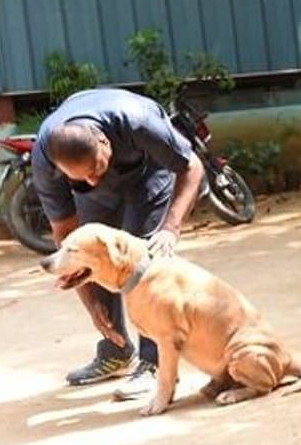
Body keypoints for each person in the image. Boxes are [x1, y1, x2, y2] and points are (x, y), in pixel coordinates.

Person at [32, 87, 205, 399]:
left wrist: (170, 227)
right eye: (81, 178)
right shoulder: (46, 161)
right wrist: (91, 304)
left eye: (96, 167)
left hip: (146, 176)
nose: (93, 179)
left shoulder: (137, 122)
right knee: (91, 255)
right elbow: (65, 236)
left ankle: (153, 364)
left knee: (142, 261)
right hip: (97, 200)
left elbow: (192, 167)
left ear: (104, 142)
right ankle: (115, 350)